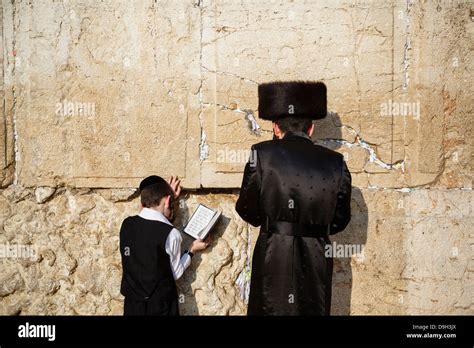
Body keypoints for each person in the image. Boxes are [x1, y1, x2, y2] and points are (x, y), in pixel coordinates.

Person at [236, 81, 352, 315]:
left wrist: (274, 223)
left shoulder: (261, 154)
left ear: (276, 128)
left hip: (273, 252)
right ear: (311, 129)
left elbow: (246, 208)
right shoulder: (335, 162)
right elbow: (340, 219)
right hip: (316, 255)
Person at [119, 175, 209, 315]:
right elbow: (175, 273)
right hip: (161, 307)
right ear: (167, 201)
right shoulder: (171, 234)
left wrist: (166, 197)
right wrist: (191, 250)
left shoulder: (127, 224)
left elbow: (146, 222)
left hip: (132, 305)